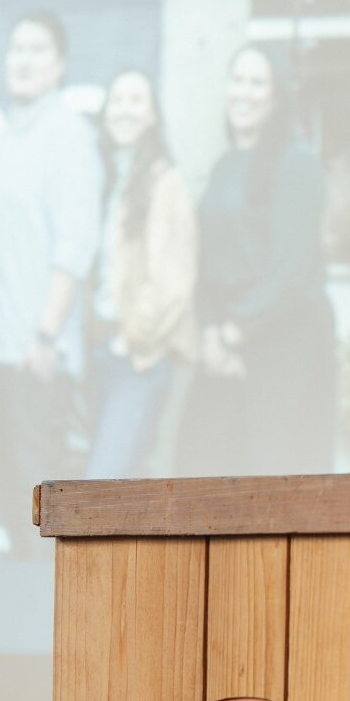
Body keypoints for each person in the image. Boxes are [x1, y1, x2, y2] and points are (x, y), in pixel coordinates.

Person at [0, 12, 101, 553]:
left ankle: (47, 628)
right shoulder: (1, 137)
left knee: (38, 508)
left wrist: (46, 337)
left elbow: (75, 249)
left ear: (60, 64)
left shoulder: (68, 135)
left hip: (35, 355)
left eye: (37, 50)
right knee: (1, 488)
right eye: (15, 48)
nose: (23, 60)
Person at [181, 44, 336, 475]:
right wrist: (212, 331)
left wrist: (234, 331)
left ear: (277, 97)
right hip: (225, 342)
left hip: (286, 343)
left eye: (257, 82)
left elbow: (290, 269)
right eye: (238, 80)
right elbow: (207, 260)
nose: (243, 92)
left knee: (276, 481)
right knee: (203, 469)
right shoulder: (224, 166)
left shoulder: (298, 164)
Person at [85, 69, 198, 479]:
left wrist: (134, 338)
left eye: (136, 100)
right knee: (107, 485)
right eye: (117, 100)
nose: (125, 110)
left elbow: (174, 281)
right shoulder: (109, 178)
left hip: (139, 359)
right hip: (101, 353)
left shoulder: (165, 182)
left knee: (103, 485)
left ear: (153, 116)